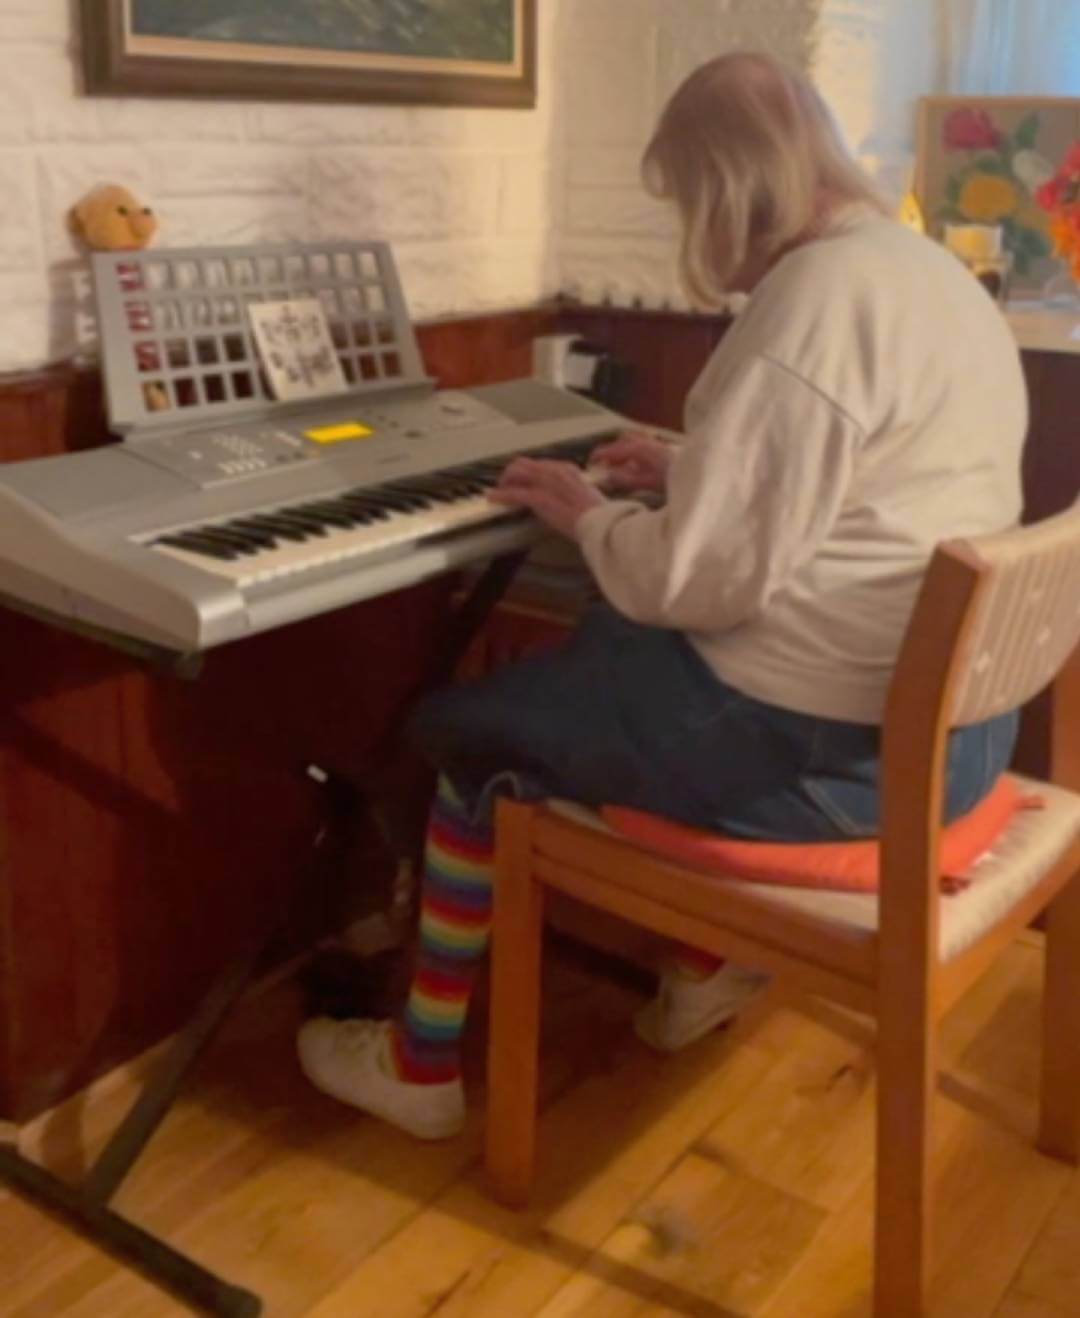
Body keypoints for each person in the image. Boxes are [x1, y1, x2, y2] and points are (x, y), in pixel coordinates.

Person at [298, 51, 1026, 1140]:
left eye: (689, 199)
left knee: (467, 733)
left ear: (728, 189)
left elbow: (692, 583)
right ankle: (700, 971)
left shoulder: (808, 309)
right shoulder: (916, 272)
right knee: (597, 667)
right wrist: (692, 469)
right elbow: (850, 486)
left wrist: (584, 512)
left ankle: (419, 1061)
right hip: (956, 734)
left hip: (836, 764)